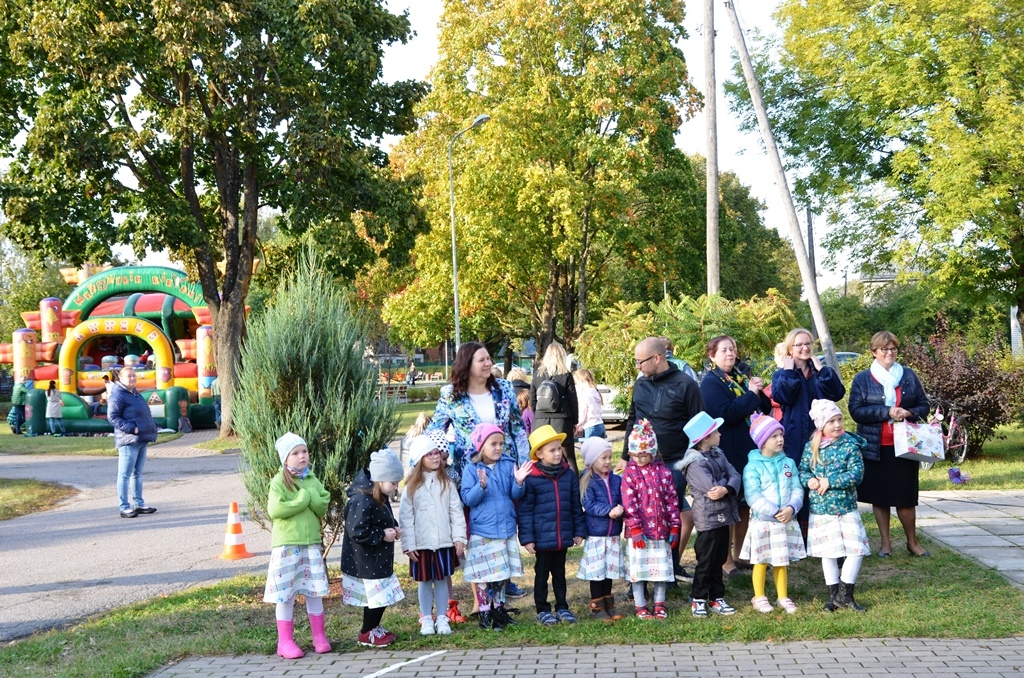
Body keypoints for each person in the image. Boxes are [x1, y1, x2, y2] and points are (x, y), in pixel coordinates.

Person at [616, 336, 703, 584]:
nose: (638, 367)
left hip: (675, 462)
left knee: (669, 517)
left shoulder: (686, 385)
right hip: (642, 464)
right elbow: (632, 420)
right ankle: (643, 572)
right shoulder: (640, 385)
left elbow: (698, 424)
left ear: (658, 357)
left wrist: (692, 459)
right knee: (643, 515)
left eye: (640, 361)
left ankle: (668, 571)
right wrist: (625, 456)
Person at [849, 331, 931, 558]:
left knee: (906, 497)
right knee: (880, 497)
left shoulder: (908, 375)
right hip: (876, 447)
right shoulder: (862, 379)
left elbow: (924, 405)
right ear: (874, 352)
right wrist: (887, 412)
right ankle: (885, 543)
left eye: (893, 348)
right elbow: (856, 411)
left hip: (904, 447)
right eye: (884, 349)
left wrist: (909, 412)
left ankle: (912, 542)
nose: (889, 352)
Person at [698, 334, 770, 575]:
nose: (730, 354)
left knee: (745, 505)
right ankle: (726, 560)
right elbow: (725, 414)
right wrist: (751, 395)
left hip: (749, 448)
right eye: (724, 350)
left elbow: (762, 407)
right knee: (728, 505)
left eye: (732, 349)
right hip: (728, 450)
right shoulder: (711, 382)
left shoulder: (740, 376)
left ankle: (742, 554)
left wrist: (758, 391)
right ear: (712, 356)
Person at [771, 328, 846, 535]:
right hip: (794, 437)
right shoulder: (782, 374)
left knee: (822, 478)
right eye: (799, 344)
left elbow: (837, 393)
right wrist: (788, 371)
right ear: (790, 349)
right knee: (797, 482)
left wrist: (822, 369)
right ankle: (799, 533)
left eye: (808, 344)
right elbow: (782, 397)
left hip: (822, 436)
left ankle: (824, 531)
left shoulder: (819, 373)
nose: (804, 348)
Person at [263, 433, 332, 659]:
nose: (301, 456)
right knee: (286, 593)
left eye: (304, 451)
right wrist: (303, 499)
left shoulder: (312, 479)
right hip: (286, 545)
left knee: (314, 591)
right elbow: (276, 510)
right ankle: (285, 642)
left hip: (310, 544)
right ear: (285, 459)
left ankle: (319, 637)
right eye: (295, 453)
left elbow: (322, 504)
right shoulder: (279, 481)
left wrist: (310, 496)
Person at [799, 399, 871, 612]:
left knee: (856, 549)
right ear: (821, 425)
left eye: (839, 419)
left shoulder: (850, 445)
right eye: (832, 421)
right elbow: (804, 471)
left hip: (846, 507)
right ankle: (834, 596)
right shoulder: (812, 447)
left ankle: (845, 593)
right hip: (821, 509)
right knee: (828, 552)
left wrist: (830, 482)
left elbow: (857, 474)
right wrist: (810, 481)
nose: (838, 425)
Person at [460, 423, 531, 630]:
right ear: (481, 445)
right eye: (494, 444)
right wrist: (480, 487)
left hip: (505, 528)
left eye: (501, 443)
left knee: (501, 574)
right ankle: (483, 612)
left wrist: (518, 482)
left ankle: (499, 609)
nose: (499, 448)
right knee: (483, 575)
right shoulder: (471, 469)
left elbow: (515, 495)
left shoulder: (508, 465)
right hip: (484, 530)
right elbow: (468, 499)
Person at [427, 341, 530, 479]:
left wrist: (524, 465)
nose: (488, 363)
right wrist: (416, 462)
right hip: (471, 472)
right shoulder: (450, 395)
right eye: (482, 360)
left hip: (506, 469)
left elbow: (519, 431)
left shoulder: (505, 389)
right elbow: (434, 431)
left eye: (488, 358)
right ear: (467, 365)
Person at [399, 434, 467, 636]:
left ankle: (443, 617)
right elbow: (406, 517)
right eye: (430, 454)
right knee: (424, 581)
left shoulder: (446, 483)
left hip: (443, 542)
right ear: (421, 458)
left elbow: (456, 511)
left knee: (441, 579)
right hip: (422, 544)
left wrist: (459, 537)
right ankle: (427, 617)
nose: (436, 457)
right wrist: (408, 544)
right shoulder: (411, 487)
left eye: (437, 453)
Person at [519, 425, 586, 626]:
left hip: (562, 534)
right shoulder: (532, 479)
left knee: (560, 573)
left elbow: (576, 505)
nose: (557, 453)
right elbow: (525, 511)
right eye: (552, 450)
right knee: (541, 574)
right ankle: (542, 608)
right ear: (539, 454)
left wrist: (578, 530)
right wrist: (528, 539)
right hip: (542, 537)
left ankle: (562, 606)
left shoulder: (568, 474)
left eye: (559, 449)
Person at [740, 414, 806, 614]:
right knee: (761, 560)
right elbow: (753, 496)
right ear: (762, 441)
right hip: (764, 522)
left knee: (781, 560)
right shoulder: (752, 467)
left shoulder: (788, 463)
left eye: (780, 435)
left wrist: (792, 508)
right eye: (773, 436)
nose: (780, 439)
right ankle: (759, 596)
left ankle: (782, 596)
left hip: (785, 520)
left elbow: (797, 488)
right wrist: (775, 512)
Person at [678, 411, 741, 617]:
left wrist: (727, 488)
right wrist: (725, 486)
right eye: (716, 431)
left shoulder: (717, 453)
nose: (720, 434)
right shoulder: (694, 463)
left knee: (721, 556)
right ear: (705, 437)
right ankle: (698, 597)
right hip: (708, 517)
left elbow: (735, 474)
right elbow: (710, 488)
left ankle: (716, 596)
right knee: (706, 559)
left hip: (724, 514)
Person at [341, 449, 406, 647]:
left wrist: (393, 526)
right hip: (366, 561)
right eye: (393, 483)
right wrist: (381, 535)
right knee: (377, 598)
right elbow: (357, 531)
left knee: (383, 596)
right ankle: (367, 632)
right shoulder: (361, 500)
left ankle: (373, 627)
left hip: (378, 558)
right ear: (380, 478)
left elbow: (382, 517)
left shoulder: (379, 496)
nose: (395, 487)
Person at [621, 419, 680, 620]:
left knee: (660, 570)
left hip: (661, 532)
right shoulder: (630, 473)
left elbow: (672, 500)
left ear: (652, 452)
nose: (638, 458)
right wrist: (634, 527)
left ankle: (659, 603)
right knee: (639, 570)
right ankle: (640, 605)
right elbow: (629, 502)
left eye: (643, 454)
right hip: (639, 534)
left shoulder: (664, 473)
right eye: (634, 454)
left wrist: (674, 527)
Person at [577, 437, 625, 622]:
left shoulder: (615, 479)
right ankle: (597, 608)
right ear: (591, 460)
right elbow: (589, 504)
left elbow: (622, 498)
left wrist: (621, 508)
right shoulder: (588, 479)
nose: (607, 461)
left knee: (609, 570)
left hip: (613, 534)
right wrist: (609, 511)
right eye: (603, 458)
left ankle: (609, 605)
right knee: (597, 572)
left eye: (609, 457)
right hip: (597, 534)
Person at [108, 368, 159, 518]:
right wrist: (132, 428)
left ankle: (139, 504)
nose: (132, 379)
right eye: (129, 376)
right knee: (124, 475)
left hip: (142, 439)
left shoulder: (136, 394)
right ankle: (124, 507)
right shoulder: (118, 395)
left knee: (137, 473)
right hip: (128, 440)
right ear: (121, 378)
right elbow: (112, 417)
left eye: (134, 376)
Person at [529, 341, 581, 472]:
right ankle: (575, 489)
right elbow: (572, 400)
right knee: (569, 457)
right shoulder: (566, 375)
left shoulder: (537, 375)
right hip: (562, 420)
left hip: (541, 420)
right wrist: (575, 421)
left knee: (541, 457)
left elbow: (533, 399)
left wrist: (538, 414)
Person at [573, 368, 606, 439]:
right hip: (600, 424)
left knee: (590, 449)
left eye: (576, 383)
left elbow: (582, 413)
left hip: (591, 427)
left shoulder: (585, 395)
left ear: (581, 380)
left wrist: (578, 424)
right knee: (599, 449)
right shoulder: (595, 391)